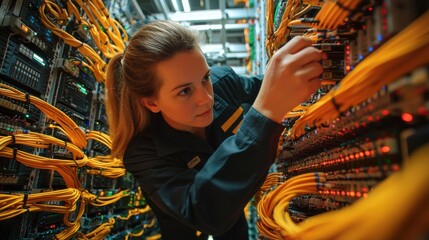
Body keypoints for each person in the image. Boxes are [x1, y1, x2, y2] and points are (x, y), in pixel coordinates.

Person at [105, 20, 323, 239]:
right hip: (185, 224)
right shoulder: (143, 153)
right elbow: (205, 212)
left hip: (233, 206)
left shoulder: (223, 83)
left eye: (205, 78)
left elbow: (268, 86)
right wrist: (264, 115)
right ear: (152, 103)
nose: (207, 98)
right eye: (185, 91)